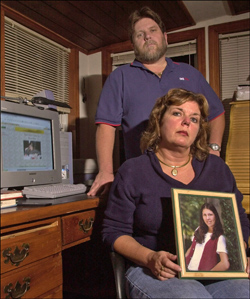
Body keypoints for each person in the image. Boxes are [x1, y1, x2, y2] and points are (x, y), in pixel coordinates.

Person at [102, 88, 249, 298]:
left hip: (215, 268)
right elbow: (114, 232)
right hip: (156, 270)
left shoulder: (217, 169)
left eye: (195, 119)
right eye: (177, 113)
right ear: (158, 122)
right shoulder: (133, 171)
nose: (187, 122)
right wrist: (150, 258)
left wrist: (238, 252)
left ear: (199, 130)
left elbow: (239, 220)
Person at [88, 6, 225, 196]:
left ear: (165, 37)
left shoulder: (190, 73)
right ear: (133, 45)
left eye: (153, 30)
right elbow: (106, 126)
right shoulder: (120, 77)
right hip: (144, 179)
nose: (147, 37)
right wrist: (105, 172)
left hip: (193, 175)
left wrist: (215, 149)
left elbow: (217, 114)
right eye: (140, 34)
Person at [185, 202, 230, 271]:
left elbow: (225, 264)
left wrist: (208, 275)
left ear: (216, 216)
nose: (207, 218)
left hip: (200, 277)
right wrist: (182, 263)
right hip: (187, 270)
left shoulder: (220, 238)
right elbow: (191, 248)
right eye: (204, 215)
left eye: (210, 214)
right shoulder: (198, 229)